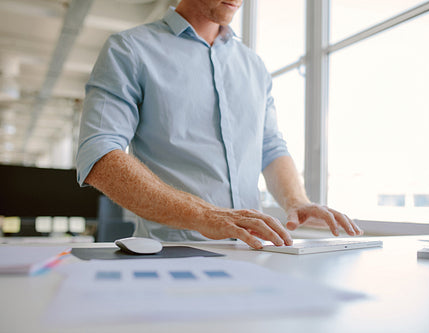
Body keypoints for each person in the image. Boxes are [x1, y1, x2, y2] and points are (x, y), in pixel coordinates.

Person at [76, 0, 363, 249]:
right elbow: (100, 154)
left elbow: (270, 146)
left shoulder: (254, 65)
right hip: (171, 253)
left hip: (255, 252)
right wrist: (205, 216)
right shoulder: (130, 50)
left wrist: (296, 200)